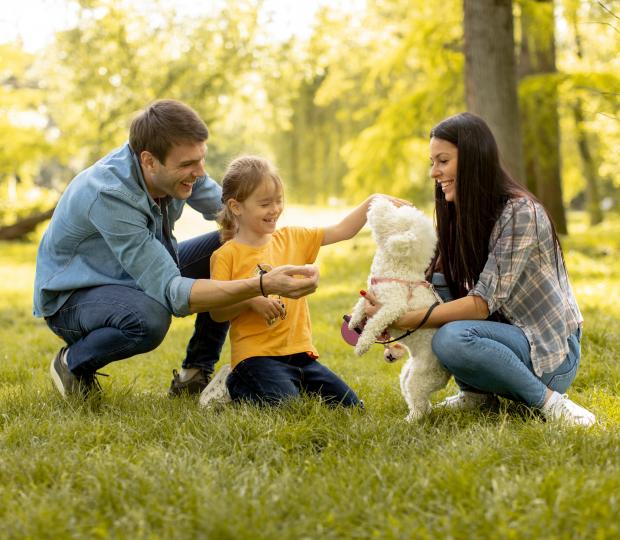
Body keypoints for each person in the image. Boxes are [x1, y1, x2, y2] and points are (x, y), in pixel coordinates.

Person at [34, 99, 318, 399]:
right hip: (75, 297)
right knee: (150, 318)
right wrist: (259, 285)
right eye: (186, 165)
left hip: (131, 274)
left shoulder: (177, 169)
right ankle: (73, 362)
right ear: (149, 161)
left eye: (201, 160)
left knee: (230, 242)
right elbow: (171, 291)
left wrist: (273, 242)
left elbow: (232, 212)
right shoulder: (110, 194)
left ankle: (194, 373)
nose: (198, 172)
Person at [362, 112, 595, 427]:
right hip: (503, 337)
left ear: (473, 158)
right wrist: (394, 317)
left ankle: (551, 403)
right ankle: (476, 395)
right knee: (436, 283)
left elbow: (481, 305)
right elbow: (430, 292)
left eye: (442, 161)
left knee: (452, 338)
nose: (434, 172)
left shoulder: (522, 213)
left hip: (550, 355)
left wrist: (406, 318)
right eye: (432, 162)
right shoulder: (460, 215)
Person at [208, 155, 405, 406]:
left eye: (278, 201)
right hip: (255, 357)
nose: (275, 209)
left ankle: (281, 384)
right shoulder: (226, 255)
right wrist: (250, 300)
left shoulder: (293, 238)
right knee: (287, 406)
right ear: (236, 207)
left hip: (301, 357)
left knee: (351, 407)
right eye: (265, 203)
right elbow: (217, 312)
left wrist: (372, 202)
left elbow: (342, 230)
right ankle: (234, 383)